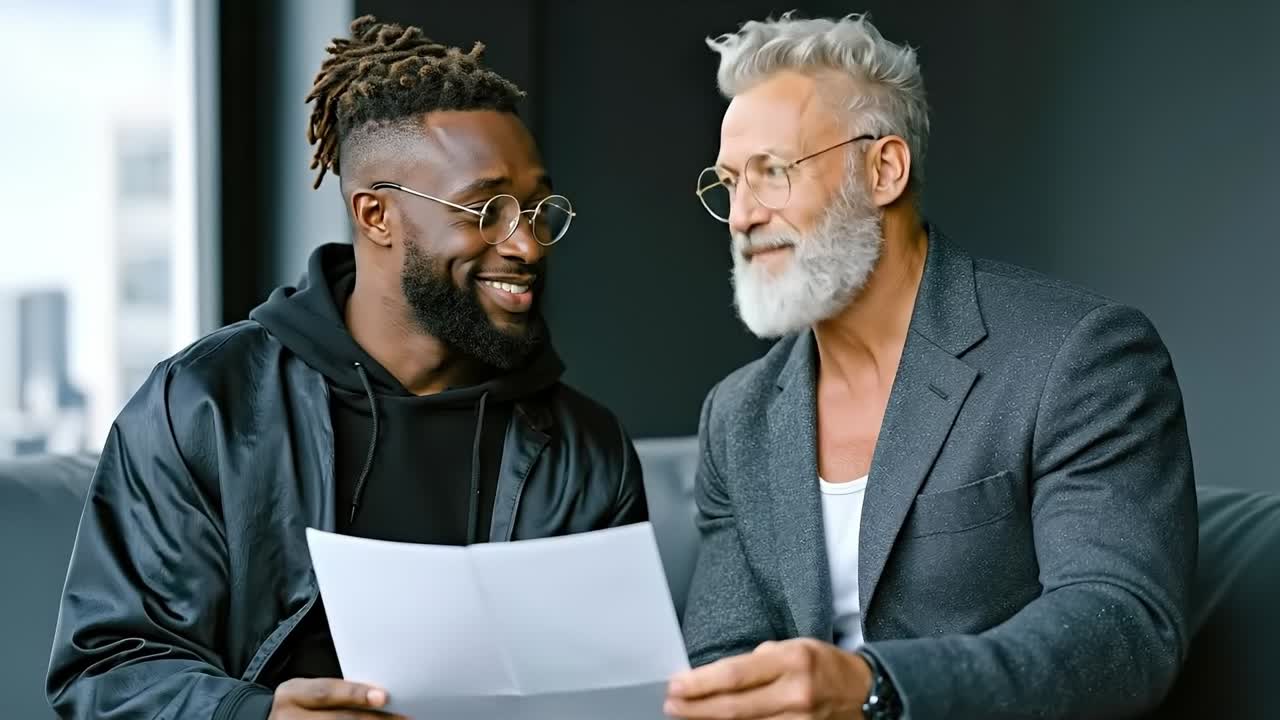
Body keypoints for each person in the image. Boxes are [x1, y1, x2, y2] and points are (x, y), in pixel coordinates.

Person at [46, 16, 647, 720]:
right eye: (486, 210)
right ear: (375, 215)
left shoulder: (584, 451)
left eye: (538, 209)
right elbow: (105, 673)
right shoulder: (205, 406)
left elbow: (618, 691)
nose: (528, 245)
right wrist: (258, 716)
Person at [665, 13, 1196, 720]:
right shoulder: (739, 413)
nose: (741, 216)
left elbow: (1122, 628)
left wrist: (876, 690)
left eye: (773, 171)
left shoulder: (1080, 354)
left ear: (883, 168)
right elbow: (723, 654)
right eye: (729, 182)